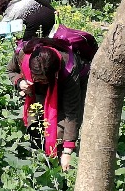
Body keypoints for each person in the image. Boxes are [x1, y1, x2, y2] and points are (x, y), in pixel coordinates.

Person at [8, 35, 87, 171]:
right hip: (37, 93)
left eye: (44, 80)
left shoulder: (69, 70)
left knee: (58, 133)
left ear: (54, 73)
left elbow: (71, 112)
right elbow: (10, 71)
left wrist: (68, 150)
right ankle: (38, 161)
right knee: (34, 124)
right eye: (36, 78)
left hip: (65, 89)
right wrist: (20, 81)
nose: (39, 81)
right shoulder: (22, 54)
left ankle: (59, 169)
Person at [0, 0, 65, 40]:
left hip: (35, 21)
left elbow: (2, 32)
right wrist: (53, 10)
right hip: (50, 15)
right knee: (48, 40)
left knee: (26, 45)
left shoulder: (9, 13)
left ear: (0, 10)